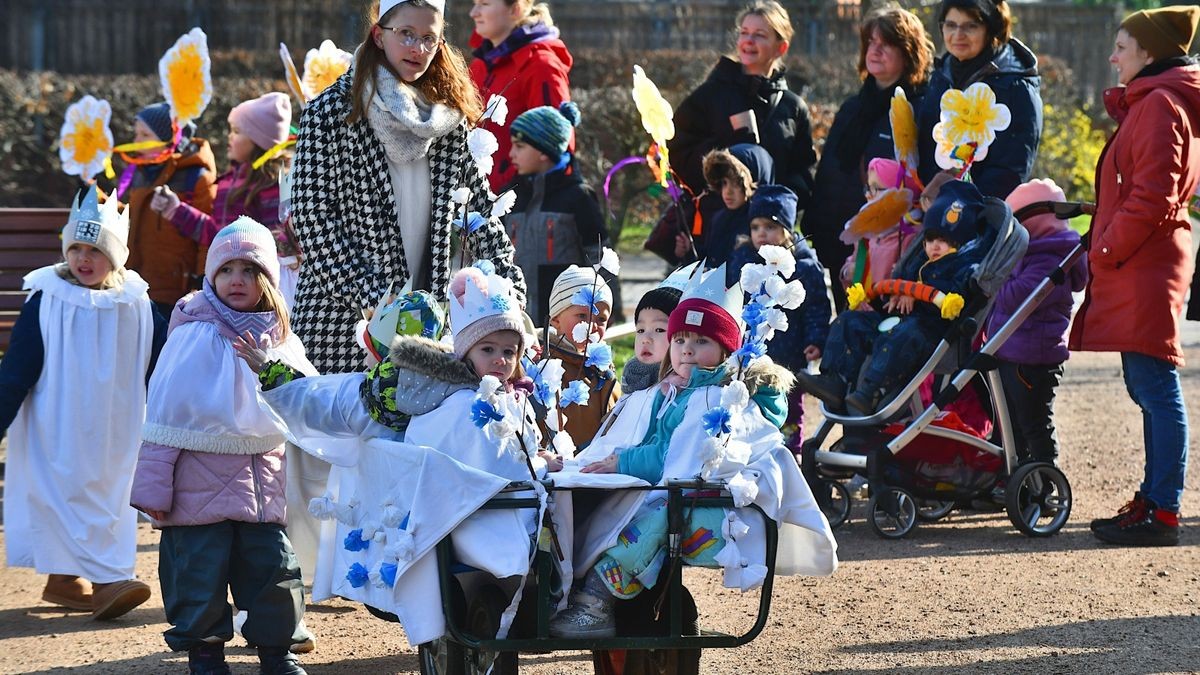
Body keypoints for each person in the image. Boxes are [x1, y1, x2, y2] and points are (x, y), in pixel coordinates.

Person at [240, 264, 548, 645]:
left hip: (510, 510)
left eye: (509, 351)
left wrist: (541, 461)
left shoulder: (515, 398)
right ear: (465, 350)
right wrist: (273, 373)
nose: (501, 360)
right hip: (461, 519)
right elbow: (329, 399)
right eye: (488, 349)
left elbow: (519, 451)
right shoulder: (428, 397)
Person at [548, 264, 836, 638]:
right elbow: (659, 445)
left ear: (725, 351)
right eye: (681, 339)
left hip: (719, 510)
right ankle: (585, 593)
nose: (687, 349)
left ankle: (597, 600)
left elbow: (677, 457)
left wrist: (621, 461)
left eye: (701, 342)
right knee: (612, 514)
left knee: (647, 525)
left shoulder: (718, 397)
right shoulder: (675, 393)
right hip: (682, 497)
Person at [290, 0, 524, 376]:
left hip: (426, 332)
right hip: (342, 323)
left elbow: (481, 214)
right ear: (379, 36)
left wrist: (508, 292)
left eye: (429, 38)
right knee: (340, 430)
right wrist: (377, 299)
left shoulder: (448, 122)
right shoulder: (330, 113)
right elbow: (312, 218)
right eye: (406, 35)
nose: (417, 48)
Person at [130, 218, 315, 675]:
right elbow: (166, 413)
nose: (238, 279)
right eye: (227, 269)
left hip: (261, 485)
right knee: (197, 570)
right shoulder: (194, 333)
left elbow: (307, 404)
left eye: (250, 271)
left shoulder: (281, 340)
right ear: (211, 276)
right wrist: (153, 487)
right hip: (197, 487)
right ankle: (206, 651)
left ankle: (277, 652)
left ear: (268, 280)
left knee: (274, 569)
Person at [0, 188, 165, 619]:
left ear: (116, 255)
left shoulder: (137, 304)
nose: (83, 258)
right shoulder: (47, 299)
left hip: (117, 428)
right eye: (76, 247)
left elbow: (163, 362)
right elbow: (17, 368)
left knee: (110, 495)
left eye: (95, 249)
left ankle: (64, 580)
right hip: (58, 426)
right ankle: (108, 581)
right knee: (71, 491)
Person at [1072, 6, 1200, 548]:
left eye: (1122, 46)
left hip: (1143, 261)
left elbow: (1152, 195)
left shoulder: (1159, 106)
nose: (1113, 55)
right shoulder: (1155, 104)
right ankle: (1154, 499)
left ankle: (1163, 509)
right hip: (1141, 259)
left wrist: (1104, 246)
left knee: (1154, 383)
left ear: (1148, 53)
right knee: (1146, 383)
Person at [797, 180, 987, 417]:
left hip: (928, 331)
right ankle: (834, 379)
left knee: (901, 336)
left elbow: (957, 297)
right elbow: (897, 282)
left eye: (944, 241)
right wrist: (895, 293)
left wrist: (917, 294)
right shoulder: (918, 260)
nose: (935, 246)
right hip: (895, 319)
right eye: (930, 240)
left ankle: (869, 393)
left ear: (959, 243)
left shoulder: (964, 265)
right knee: (849, 321)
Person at [802, 5, 932, 311]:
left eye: (886, 44)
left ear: (908, 53)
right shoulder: (853, 107)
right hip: (841, 244)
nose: (875, 50)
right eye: (871, 42)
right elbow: (830, 174)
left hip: (891, 250)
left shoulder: (920, 109)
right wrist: (818, 229)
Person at [668, 1, 816, 218]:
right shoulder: (711, 94)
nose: (748, 40)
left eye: (759, 35)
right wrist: (728, 154)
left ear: (781, 47)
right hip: (716, 224)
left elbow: (803, 172)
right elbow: (676, 152)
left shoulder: (792, 107)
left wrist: (779, 203)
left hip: (768, 230)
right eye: (744, 32)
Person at [150, 92, 301, 305]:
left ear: (259, 140)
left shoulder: (271, 183)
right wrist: (176, 210)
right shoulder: (230, 181)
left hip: (258, 286)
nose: (229, 137)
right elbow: (218, 234)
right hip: (228, 281)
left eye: (237, 132)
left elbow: (277, 242)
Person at [984, 179, 1086, 467]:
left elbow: (1015, 296)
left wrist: (991, 282)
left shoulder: (1050, 257)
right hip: (1010, 351)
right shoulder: (1026, 253)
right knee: (1010, 424)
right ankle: (1014, 479)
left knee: (1033, 424)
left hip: (1032, 360)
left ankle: (1043, 480)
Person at [728, 185, 831, 449]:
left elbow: (816, 308)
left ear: (786, 230)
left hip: (789, 354)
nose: (761, 233)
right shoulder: (744, 262)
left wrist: (816, 339)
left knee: (789, 408)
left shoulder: (804, 268)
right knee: (748, 404)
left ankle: (790, 451)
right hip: (750, 355)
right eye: (755, 227)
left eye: (770, 227)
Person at [915, 0, 1042, 201]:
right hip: (931, 210)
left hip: (982, 217)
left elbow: (1010, 171)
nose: (958, 35)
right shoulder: (940, 76)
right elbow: (926, 146)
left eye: (971, 26)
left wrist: (959, 206)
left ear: (991, 29)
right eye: (950, 25)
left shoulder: (1015, 86)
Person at [504, 102, 608, 320]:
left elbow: (599, 258)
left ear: (544, 151)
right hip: (515, 318)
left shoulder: (578, 197)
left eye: (519, 146)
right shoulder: (510, 196)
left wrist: (602, 308)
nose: (511, 153)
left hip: (564, 321)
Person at [123, 102, 217, 316]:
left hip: (176, 293)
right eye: (136, 134)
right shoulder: (141, 172)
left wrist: (203, 280)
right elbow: (132, 216)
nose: (136, 141)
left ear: (169, 138)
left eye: (145, 135)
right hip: (137, 286)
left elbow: (208, 235)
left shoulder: (195, 176)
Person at [469, 0, 573, 191]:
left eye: (484, 3)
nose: (473, 13)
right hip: (473, 199)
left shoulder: (541, 66)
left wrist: (509, 193)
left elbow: (555, 145)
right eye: (474, 3)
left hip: (514, 205)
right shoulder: (479, 64)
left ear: (515, 9)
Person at [540, 265, 619, 447]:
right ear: (556, 321)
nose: (592, 326)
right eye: (582, 316)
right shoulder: (545, 368)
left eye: (601, 320)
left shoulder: (602, 368)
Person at [839, 158, 924, 291]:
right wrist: (848, 271)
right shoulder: (868, 229)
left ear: (897, 193)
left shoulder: (912, 236)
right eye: (867, 187)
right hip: (862, 306)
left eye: (875, 188)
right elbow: (853, 261)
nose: (868, 194)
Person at [697, 144, 774, 266]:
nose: (728, 191)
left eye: (736, 183)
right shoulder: (719, 219)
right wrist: (688, 252)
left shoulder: (766, 222)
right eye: (724, 183)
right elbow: (711, 258)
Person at [620, 284, 682, 394]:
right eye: (640, 330)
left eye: (659, 330)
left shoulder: (683, 384)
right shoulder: (631, 376)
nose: (646, 339)